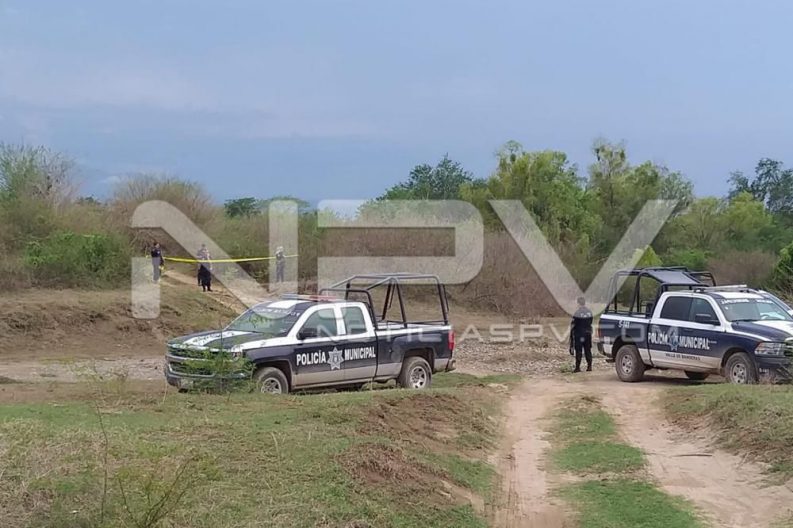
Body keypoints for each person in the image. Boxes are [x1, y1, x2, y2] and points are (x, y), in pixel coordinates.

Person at [570, 296, 593, 372]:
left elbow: (573, 324)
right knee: (588, 350)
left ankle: (577, 367)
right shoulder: (589, 312)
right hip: (588, 333)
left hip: (579, 334)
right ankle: (589, 366)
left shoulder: (577, 313)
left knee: (578, 351)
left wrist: (571, 335)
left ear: (578, 303)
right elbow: (591, 322)